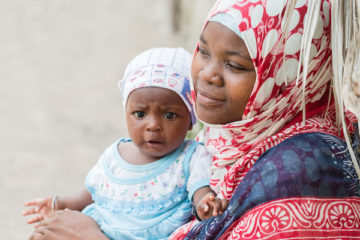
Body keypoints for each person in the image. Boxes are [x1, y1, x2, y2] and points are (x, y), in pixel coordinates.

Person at [28, 1, 360, 239]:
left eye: (235, 65)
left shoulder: (306, 177)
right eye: (202, 51)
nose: (207, 75)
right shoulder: (232, 137)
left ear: (288, 77)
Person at [24, 47, 227, 240]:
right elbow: (92, 194)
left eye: (169, 115)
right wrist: (59, 203)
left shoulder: (190, 157)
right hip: (99, 226)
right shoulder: (115, 154)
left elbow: (200, 189)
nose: (153, 125)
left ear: (190, 120)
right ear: (126, 114)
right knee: (43, 234)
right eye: (140, 114)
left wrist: (205, 202)